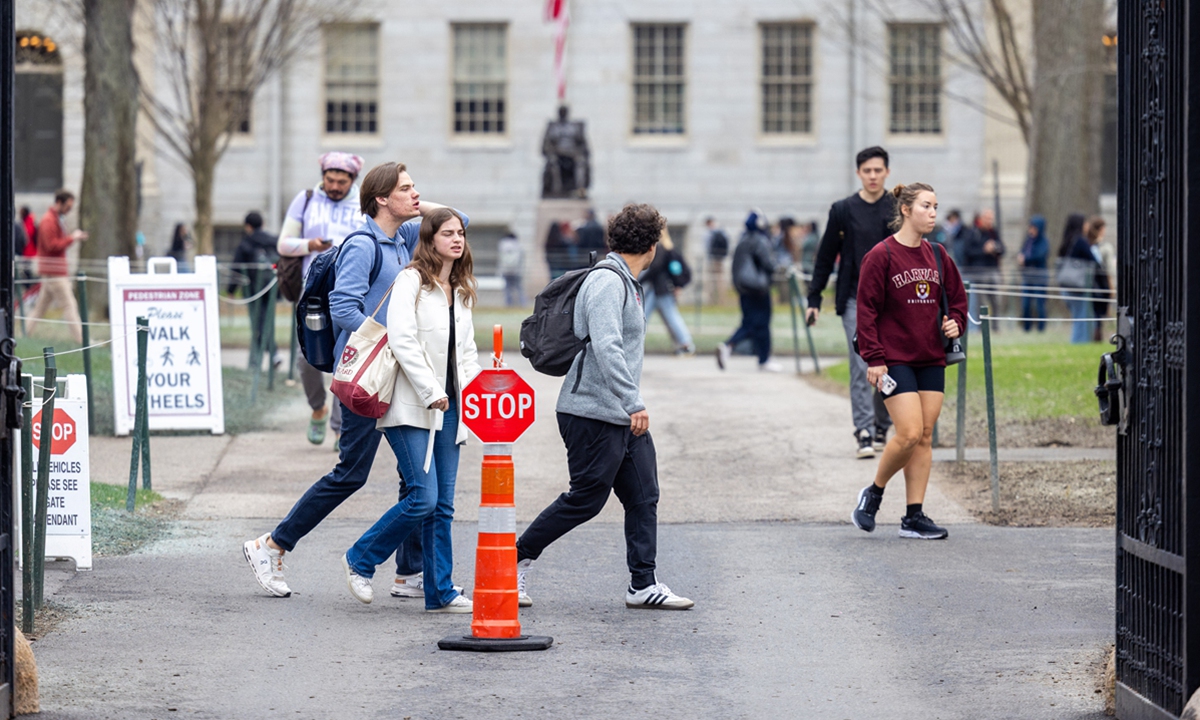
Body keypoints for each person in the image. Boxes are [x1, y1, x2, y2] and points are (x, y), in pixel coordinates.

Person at [242, 161, 467, 600]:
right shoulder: (363, 245)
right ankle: (271, 545)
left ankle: (408, 573)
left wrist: (418, 207)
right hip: (368, 377)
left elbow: (459, 220)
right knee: (351, 473)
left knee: (415, 477)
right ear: (381, 198)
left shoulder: (400, 237)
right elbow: (343, 308)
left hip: (399, 376)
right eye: (406, 188)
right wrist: (393, 346)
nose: (415, 194)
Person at [515, 203, 694, 611]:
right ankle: (514, 558)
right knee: (586, 499)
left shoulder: (627, 282)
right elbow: (608, 345)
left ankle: (642, 584)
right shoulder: (608, 283)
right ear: (650, 246)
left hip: (617, 411)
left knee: (644, 494)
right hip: (591, 411)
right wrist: (634, 402)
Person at [341, 209, 480, 612]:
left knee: (445, 505)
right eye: (448, 233)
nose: (457, 239)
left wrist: (470, 394)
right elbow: (402, 340)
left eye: (461, 234)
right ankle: (360, 559)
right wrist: (430, 390)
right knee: (423, 498)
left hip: (451, 408)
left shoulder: (461, 287)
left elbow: (466, 351)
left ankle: (440, 591)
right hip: (410, 405)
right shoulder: (411, 280)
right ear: (430, 238)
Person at [851, 183, 967, 540]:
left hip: (931, 356)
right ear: (906, 210)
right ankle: (873, 493)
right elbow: (866, 312)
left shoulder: (938, 255)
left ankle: (913, 517)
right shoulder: (881, 255)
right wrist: (874, 358)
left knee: (926, 436)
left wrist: (955, 323)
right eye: (926, 206)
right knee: (909, 433)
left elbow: (959, 301)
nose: (933, 213)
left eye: (935, 206)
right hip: (894, 358)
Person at [805, 146, 895, 458]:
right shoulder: (843, 210)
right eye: (867, 171)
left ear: (886, 172)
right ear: (858, 173)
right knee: (861, 365)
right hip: (855, 299)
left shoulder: (898, 208)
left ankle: (882, 423)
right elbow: (826, 256)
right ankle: (864, 430)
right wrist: (814, 298)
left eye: (878, 170)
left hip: (892, 301)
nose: (872, 176)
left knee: (891, 365)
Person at [276, 152, 365, 449]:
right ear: (323, 176)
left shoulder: (363, 204)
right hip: (312, 292)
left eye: (342, 181)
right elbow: (283, 243)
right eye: (330, 180)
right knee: (307, 359)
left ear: (352, 180)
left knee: (345, 360)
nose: (335, 186)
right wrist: (310, 245)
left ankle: (340, 429)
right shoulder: (306, 199)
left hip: (350, 292)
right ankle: (318, 407)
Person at [715, 210, 780, 372]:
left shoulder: (742, 239)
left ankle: (731, 347)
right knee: (760, 324)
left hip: (744, 290)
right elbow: (769, 264)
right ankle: (760, 357)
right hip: (759, 290)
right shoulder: (760, 241)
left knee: (749, 322)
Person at [27, 189, 87, 343]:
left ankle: (24, 332)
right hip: (54, 271)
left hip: (53, 270)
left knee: (40, 308)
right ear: (59, 202)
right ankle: (82, 340)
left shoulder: (57, 219)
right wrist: (72, 238)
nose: (69, 211)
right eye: (67, 206)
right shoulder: (48, 221)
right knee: (69, 305)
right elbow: (51, 245)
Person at [228, 212, 280, 366]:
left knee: (258, 323)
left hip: (253, 289)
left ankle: (268, 355)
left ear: (248, 226)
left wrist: (231, 290)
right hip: (272, 288)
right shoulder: (273, 241)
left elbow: (236, 268)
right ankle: (270, 355)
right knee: (268, 320)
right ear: (262, 223)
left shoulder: (245, 243)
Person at [641, 227, 695, 355]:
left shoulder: (662, 250)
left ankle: (686, 344)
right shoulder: (668, 250)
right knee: (646, 316)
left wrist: (639, 281)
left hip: (661, 290)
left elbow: (655, 269)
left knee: (668, 317)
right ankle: (684, 344)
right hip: (657, 290)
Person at [961, 208, 1005, 330]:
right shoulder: (973, 232)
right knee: (981, 302)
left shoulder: (993, 232)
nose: (990, 221)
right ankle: (982, 328)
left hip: (993, 271)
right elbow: (967, 251)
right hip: (979, 273)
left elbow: (1003, 249)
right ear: (981, 219)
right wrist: (984, 250)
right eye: (987, 218)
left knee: (996, 301)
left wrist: (995, 248)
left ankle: (996, 327)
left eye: (991, 219)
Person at [1057, 213, 1096, 345]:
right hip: (1077, 285)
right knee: (1081, 317)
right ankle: (1079, 342)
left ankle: (1077, 342)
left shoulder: (1065, 241)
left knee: (1076, 317)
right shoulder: (1080, 241)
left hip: (1066, 285)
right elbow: (1093, 259)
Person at [1016, 215, 1050, 332]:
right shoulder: (1028, 240)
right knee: (1026, 303)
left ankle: (1041, 328)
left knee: (1039, 303)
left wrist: (1026, 259)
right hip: (1027, 276)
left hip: (1039, 276)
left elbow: (1040, 255)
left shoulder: (1044, 241)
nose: (1031, 231)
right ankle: (1027, 327)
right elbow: (1022, 251)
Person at [1087, 217, 1111, 343]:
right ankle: (1096, 335)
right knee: (1097, 313)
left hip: (1093, 284)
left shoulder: (1090, 244)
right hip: (1099, 284)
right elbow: (1107, 269)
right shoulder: (1102, 247)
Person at [703, 217, 730, 305]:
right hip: (720, 259)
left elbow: (706, 247)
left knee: (711, 280)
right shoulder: (721, 232)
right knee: (720, 280)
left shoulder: (709, 233)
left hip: (712, 259)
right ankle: (721, 300)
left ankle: (711, 300)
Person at [497, 231, 525, 306]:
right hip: (516, 271)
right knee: (519, 288)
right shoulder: (518, 245)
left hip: (506, 270)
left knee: (507, 288)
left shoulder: (502, 244)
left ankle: (509, 304)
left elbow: (500, 258)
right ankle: (522, 303)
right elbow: (521, 258)